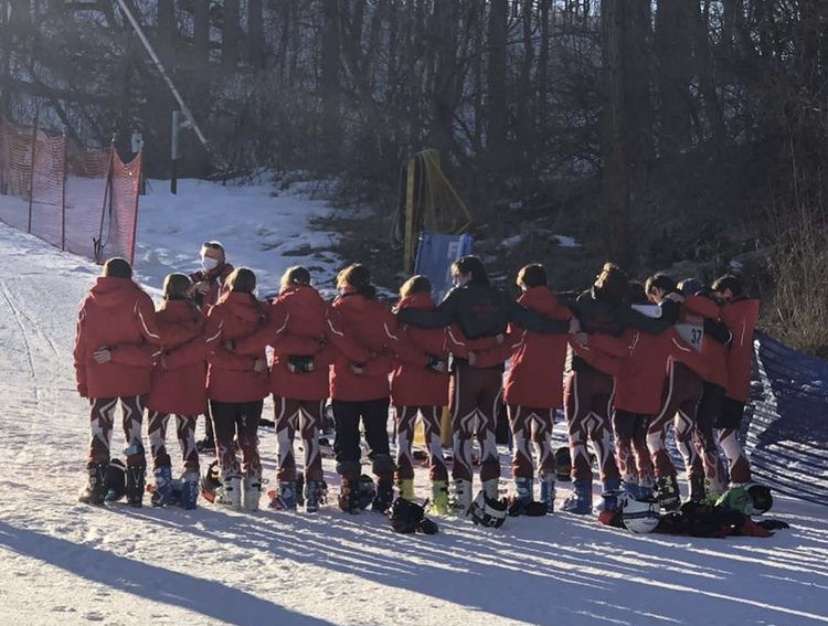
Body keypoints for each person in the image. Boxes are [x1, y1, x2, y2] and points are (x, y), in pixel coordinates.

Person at [395, 255, 572, 513]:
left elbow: (436, 320)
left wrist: (404, 313)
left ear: (466, 275)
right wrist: (563, 325)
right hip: (493, 374)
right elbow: (531, 323)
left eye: (457, 276)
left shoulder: (458, 296)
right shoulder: (501, 297)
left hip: (465, 371)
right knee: (488, 432)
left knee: (462, 433)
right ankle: (490, 494)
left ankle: (461, 497)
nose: (455, 281)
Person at [74, 258, 196, 506]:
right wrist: (190, 330)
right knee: (134, 432)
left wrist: (82, 380)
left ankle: (96, 486)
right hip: (135, 376)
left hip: (100, 376)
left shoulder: (89, 301)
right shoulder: (140, 300)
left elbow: (81, 345)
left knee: (100, 430)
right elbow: (154, 337)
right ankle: (135, 490)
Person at [229, 266, 332, 512]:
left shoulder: (282, 305)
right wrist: (311, 357)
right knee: (311, 435)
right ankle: (314, 491)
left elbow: (271, 336)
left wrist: (292, 353)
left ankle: (286, 489)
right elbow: (333, 342)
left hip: (286, 377)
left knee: (284, 435)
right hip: (316, 379)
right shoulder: (324, 307)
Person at [326, 264, 412, 514]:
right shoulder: (382, 312)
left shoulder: (335, 312)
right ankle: (385, 485)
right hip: (376, 387)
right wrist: (372, 366)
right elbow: (398, 348)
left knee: (346, 437)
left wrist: (357, 360)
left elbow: (332, 344)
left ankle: (350, 488)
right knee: (377, 436)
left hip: (344, 386)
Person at [644, 273, 730, 507]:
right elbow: (717, 323)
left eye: (652, 296)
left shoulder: (671, 305)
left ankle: (668, 488)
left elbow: (661, 330)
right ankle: (701, 491)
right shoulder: (696, 309)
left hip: (679, 373)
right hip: (700, 378)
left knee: (653, 430)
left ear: (658, 291)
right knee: (688, 435)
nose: (653, 302)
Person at [501, 264, 571, 513]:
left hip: (520, 382)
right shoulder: (562, 311)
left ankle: (523, 494)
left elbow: (511, 343)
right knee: (544, 440)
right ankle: (548, 496)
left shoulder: (520, 309)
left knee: (520, 442)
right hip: (550, 384)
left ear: (523, 284)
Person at [203, 267, 270, 510]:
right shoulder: (261, 312)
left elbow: (209, 349)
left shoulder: (219, 311)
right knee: (249, 437)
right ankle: (252, 486)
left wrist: (235, 353)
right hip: (254, 384)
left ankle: (230, 486)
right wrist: (252, 363)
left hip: (223, 386)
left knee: (224, 438)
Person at [146, 274, 213, 509]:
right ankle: (191, 475)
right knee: (187, 434)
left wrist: (166, 362)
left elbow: (150, 349)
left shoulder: (157, 318)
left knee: (156, 433)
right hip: (191, 383)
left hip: (161, 384)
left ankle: (162, 478)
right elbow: (206, 348)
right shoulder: (200, 319)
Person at [391, 275, 452, 514]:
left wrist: (422, 361)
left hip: (406, 382)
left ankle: (405, 493)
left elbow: (397, 346)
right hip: (435, 385)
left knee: (403, 440)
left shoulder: (399, 316)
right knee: (434, 443)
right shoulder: (441, 316)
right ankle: (440, 499)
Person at [712, 274, 760, 486]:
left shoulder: (729, 313)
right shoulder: (749, 311)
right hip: (740, 382)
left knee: (726, 434)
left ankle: (741, 480)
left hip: (728, 381)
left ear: (728, 293)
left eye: (719, 295)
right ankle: (740, 477)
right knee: (728, 432)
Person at [189, 241, 234, 453]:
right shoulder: (197, 278)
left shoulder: (230, 279)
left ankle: (222, 437)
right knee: (205, 389)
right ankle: (212, 434)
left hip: (222, 339)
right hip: (201, 339)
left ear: (222, 259)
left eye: (213, 257)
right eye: (205, 256)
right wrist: (194, 291)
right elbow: (174, 296)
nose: (208, 260)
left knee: (220, 390)